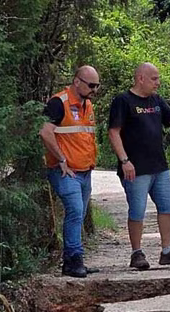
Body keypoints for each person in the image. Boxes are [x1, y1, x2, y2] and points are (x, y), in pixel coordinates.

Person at [108, 62, 170, 270]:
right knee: (137, 211)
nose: (158, 83)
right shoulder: (123, 101)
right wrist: (124, 161)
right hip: (135, 168)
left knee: (167, 206)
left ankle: (168, 251)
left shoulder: (156, 100)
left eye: (158, 78)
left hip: (160, 166)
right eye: (154, 79)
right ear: (140, 78)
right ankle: (137, 253)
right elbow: (114, 132)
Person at [39, 66, 101, 278]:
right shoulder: (59, 102)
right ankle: (74, 259)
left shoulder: (87, 105)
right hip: (65, 171)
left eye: (97, 86)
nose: (94, 90)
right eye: (91, 85)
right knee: (75, 210)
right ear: (77, 81)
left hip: (84, 171)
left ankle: (72, 261)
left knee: (79, 214)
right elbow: (45, 132)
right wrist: (61, 159)